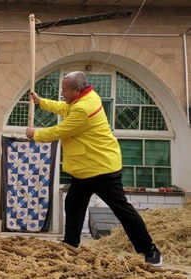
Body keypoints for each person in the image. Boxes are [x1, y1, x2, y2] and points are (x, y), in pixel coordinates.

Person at [26, 71, 162, 266]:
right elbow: (65, 107)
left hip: (102, 168)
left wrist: (35, 134)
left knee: (122, 210)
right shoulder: (83, 98)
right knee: (73, 205)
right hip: (84, 169)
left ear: (77, 89)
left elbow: (61, 130)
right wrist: (42, 102)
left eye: (64, 89)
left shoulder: (84, 107)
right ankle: (71, 245)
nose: (62, 93)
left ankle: (150, 250)